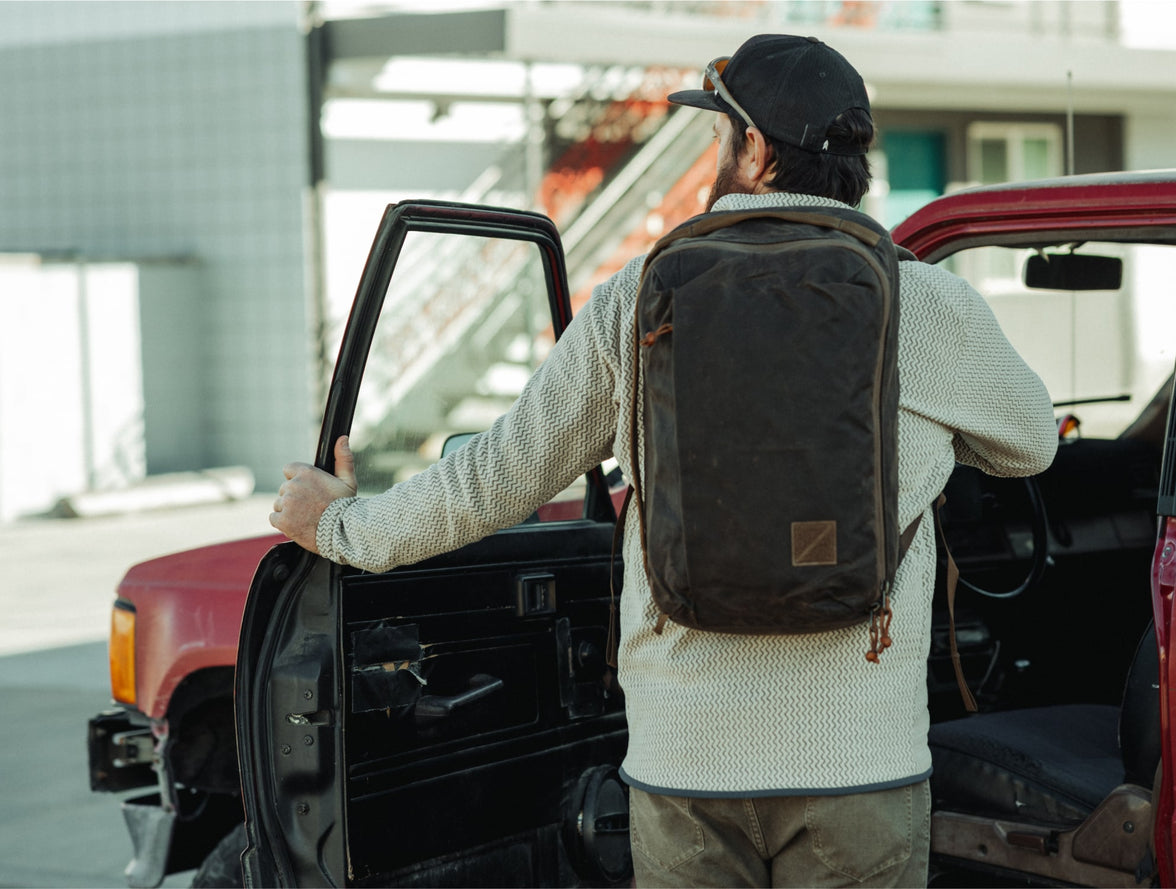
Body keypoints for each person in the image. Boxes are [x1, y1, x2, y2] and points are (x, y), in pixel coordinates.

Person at [271, 33, 1057, 888]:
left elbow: (494, 477)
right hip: (861, 760)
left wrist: (340, 525)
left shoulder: (635, 299)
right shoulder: (928, 304)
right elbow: (1031, 445)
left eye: (720, 134)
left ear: (754, 150)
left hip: (687, 763)